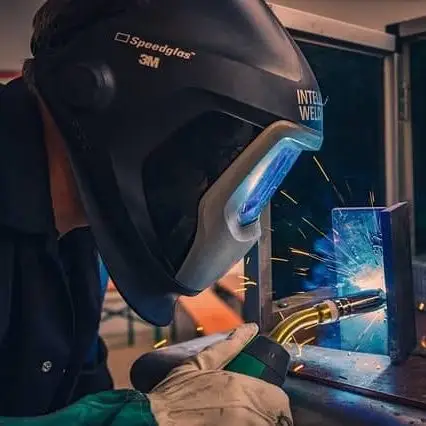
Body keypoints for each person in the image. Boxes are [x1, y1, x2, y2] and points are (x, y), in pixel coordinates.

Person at [0, 0, 323, 424]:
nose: (205, 180)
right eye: (213, 153)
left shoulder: (82, 230)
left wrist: (171, 403)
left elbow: (75, 392)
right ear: (100, 92)